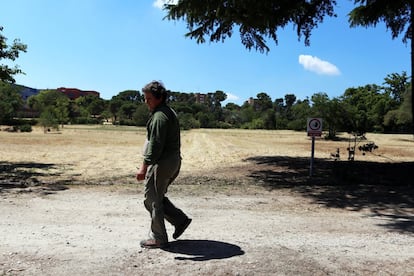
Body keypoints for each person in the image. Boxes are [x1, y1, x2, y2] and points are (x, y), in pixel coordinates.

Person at [136, 80, 192, 249]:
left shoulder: (160, 116)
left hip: (163, 163)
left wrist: (143, 168)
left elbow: (155, 145)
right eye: (145, 98)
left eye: (149, 99)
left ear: (159, 98)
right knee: (157, 197)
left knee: (152, 199)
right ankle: (180, 220)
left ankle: (158, 237)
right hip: (173, 161)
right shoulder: (167, 112)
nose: (146, 102)